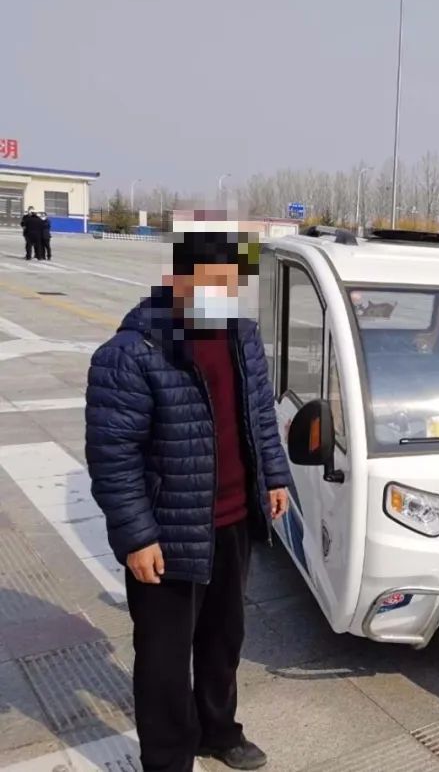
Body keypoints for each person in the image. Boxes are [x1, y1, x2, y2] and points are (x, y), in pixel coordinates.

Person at [85, 231, 293, 772]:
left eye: (231, 285)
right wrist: (137, 537)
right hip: (168, 530)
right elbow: (113, 456)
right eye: (213, 283)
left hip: (232, 519)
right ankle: (168, 758)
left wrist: (274, 477)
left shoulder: (241, 336)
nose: (223, 296)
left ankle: (219, 731)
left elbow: (259, 416)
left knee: (224, 639)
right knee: (164, 658)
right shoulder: (132, 352)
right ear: (180, 278)